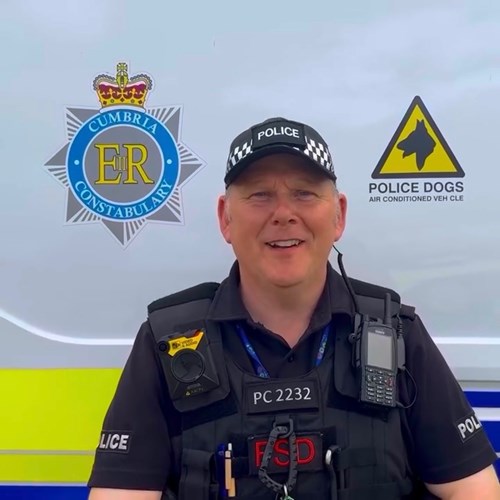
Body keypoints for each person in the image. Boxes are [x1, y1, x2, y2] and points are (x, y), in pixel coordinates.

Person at [88, 117, 500, 500]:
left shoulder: (396, 334)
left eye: (304, 193)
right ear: (225, 218)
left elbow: (474, 490)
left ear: (338, 215)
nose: (284, 214)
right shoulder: (169, 342)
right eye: (260, 195)